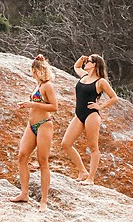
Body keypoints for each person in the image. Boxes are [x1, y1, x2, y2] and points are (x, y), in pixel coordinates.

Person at [61, 53, 118, 185]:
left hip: (91, 115)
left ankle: (90, 178)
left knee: (93, 147)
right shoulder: (84, 76)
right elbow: (76, 67)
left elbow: (114, 97)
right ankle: (82, 171)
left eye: (89, 61)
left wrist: (100, 106)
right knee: (66, 143)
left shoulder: (100, 82)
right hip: (79, 114)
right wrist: (81, 59)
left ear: (95, 65)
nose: (86, 63)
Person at [11, 54, 58, 208]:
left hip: (44, 124)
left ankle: (43, 201)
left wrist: (32, 104)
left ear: (36, 71)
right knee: (22, 155)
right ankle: (24, 193)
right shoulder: (37, 85)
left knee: (42, 161)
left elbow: (54, 107)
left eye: (33, 70)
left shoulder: (47, 86)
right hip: (31, 125)